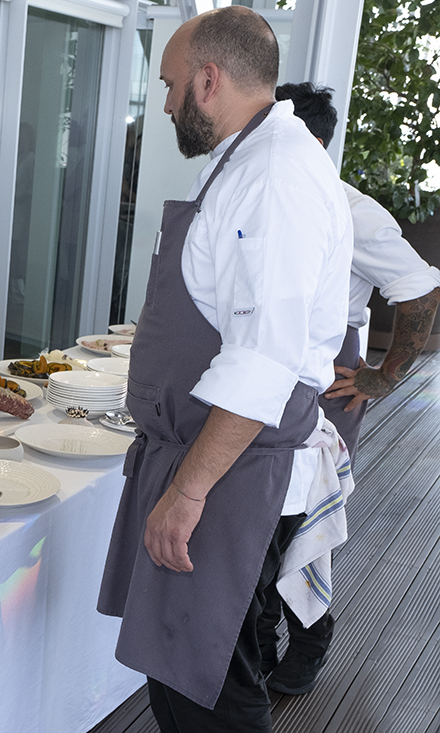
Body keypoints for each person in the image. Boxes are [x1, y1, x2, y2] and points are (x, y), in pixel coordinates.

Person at [95, 8, 353, 732]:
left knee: (207, 685)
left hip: (228, 470)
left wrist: (188, 489)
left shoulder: (275, 178)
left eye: (173, 85)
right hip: (207, 457)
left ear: (209, 80)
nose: (168, 102)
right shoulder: (247, 159)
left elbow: (264, 358)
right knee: (184, 675)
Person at [254, 82, 440, 696]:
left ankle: (308, 642)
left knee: (299, 520)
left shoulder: (352, 209)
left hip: (328, 376)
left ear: (306, 139)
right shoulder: (263, 197)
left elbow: (419, 288)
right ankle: (253, 647)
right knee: (258, 520)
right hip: (262, 368)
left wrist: (382, 377)